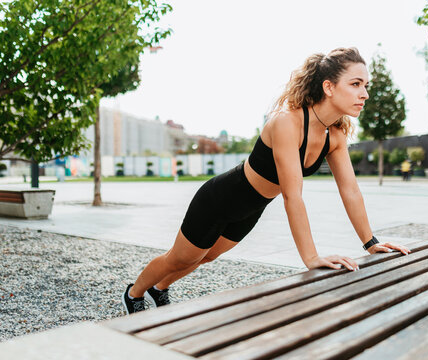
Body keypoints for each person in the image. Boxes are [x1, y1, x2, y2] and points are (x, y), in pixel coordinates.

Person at [122, 47, 410, 314]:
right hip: (219, 199)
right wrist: (311, 258)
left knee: (205, 258)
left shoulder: (334, 136)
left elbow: (351, 191)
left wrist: (370, 242)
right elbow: (292, 195)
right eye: (356, 84)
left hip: (251, 208)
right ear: (329, 87)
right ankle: (134, 294)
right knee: (179, 259)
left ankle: (160, 288)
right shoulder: (288, 122)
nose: (365, 94)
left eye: (366, 86)